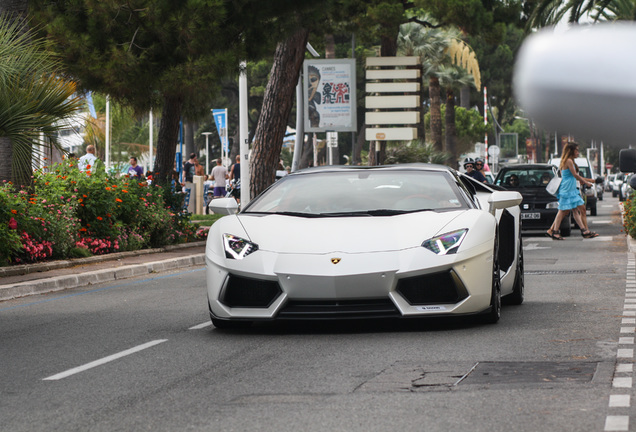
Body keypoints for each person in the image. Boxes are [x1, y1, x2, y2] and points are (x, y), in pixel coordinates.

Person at [547, 141, 598, 240]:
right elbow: (575, 175)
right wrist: (586, 182)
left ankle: (584, 230)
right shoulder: (568, 161)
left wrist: (586, 180)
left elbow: (573, 176)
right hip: (567, 190)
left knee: (576, 210)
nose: (578, 152)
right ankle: (555, 232)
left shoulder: (569, 160)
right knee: (563, 211)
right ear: (571, 151)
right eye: (576, 150)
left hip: (571, 189)